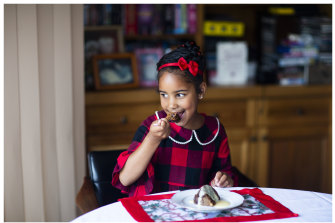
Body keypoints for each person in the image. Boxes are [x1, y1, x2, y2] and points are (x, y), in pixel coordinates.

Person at [112, 41, 238, 197]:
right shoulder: (151, 126)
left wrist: (223, 181)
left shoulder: (215, 130)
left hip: (195, 213)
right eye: (163, 94)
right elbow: (125, 179)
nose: (171, 105)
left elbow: (225, 174)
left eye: (180, 95)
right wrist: (152, 139)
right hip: (157, 212)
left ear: (201, 90)